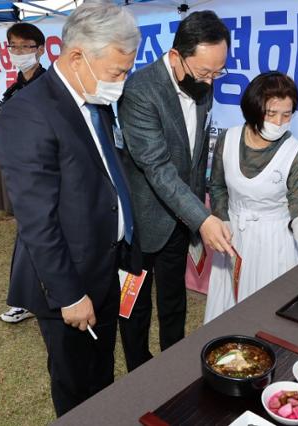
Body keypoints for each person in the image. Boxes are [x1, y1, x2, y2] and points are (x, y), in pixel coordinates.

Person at [0, 2, 141, 417]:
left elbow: (105, 175)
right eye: (117, 72)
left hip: (108, 265)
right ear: (77, 57)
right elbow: (36, 220)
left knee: (101, 374)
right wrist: (71, 294)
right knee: (76, 382)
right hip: (70, 282)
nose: (121, 81)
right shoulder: (28, 112)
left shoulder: (93, 98)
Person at [118, 10, 232, 372]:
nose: (211, 81)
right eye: (204, 72)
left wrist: (196, 210)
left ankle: (174, 365)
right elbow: (157, 167)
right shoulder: (139, 91)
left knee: (174, 298)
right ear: (176, 55)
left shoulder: (202, 88)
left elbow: (197, 155)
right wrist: (203, 218)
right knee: (134, 304)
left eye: (219, 72)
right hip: (140, 217)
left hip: (178, 218)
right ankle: (139, 370)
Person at [204, 72, 298, 323]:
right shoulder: (229, 138)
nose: (279, 122)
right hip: (232, 233)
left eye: (287, 114)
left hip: (273, 240)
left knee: (265, 309)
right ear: (253, 109)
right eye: (271, 114)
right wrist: (222, 217)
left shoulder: (296, 153)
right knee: (227, 304)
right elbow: (217, 186)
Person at [0, 22, 47, 324]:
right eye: (13, 46)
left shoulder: (50, 85)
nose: (18, 52)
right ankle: (28, 298)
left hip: (46, 175)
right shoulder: (13, 89)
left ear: (40, 49)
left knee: (38, 239)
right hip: (24, 175)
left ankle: (30, 299)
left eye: (25, 46)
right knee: (29, 238)